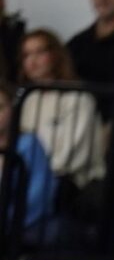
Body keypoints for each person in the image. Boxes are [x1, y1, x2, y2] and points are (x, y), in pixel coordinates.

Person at [16, 30, 103, 189]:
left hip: (72, 183)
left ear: (55, 55)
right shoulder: (27, 99)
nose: (32, 61)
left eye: (40, 52)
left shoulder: (79, 98)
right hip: (30, 178)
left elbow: (75, 156)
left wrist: (36, 173)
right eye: (26, 55)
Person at [0, 84, 57, 241]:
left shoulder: (29, 144)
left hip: (22, 228)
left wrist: (6, 219)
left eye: (0, 108)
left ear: (12, 110)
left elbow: (40, 195)